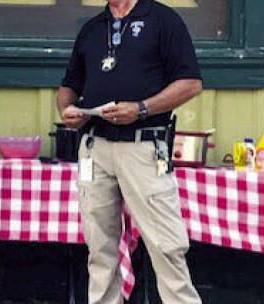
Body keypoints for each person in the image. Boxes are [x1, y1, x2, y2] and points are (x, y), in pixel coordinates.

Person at [56, 0, 203, 303]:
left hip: (144, 146)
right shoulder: (91, 29)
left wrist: (141, 109)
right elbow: (69, 85)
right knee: (99, 248)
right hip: (95, 146)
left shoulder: (164, 20)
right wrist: (67, 109)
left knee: (166, 245)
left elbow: (190, 83)